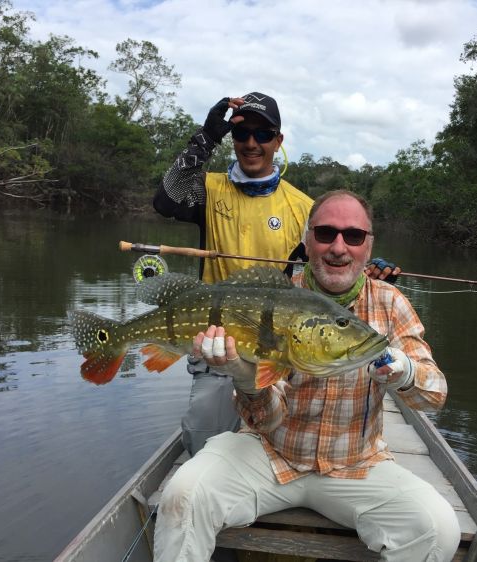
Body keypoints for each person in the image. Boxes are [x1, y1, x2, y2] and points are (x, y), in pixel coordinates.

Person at [153, 190, 461, 562]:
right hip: (268, 453)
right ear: (306, 239)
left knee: (437, 528)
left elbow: (434, 395)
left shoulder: (390, 303)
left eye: (354, 236)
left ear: (369, 246)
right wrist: (245, 378)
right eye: (325, 233)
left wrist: (406, 373)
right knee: (183, 494)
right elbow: (266, 420)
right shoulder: (277, 296)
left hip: (356, 466)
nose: (338, 247)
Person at [153, 93, 401, 457]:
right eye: (242, 134)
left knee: (277, 442)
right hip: (215, 342)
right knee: (203, 430)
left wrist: (366, 266)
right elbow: (165, 201)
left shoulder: (303, 208)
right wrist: (206, 136)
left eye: (263, 134)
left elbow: (328, 265)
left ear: (278, 141)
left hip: (282, 345)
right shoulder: (209, 188)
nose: (251, 143)